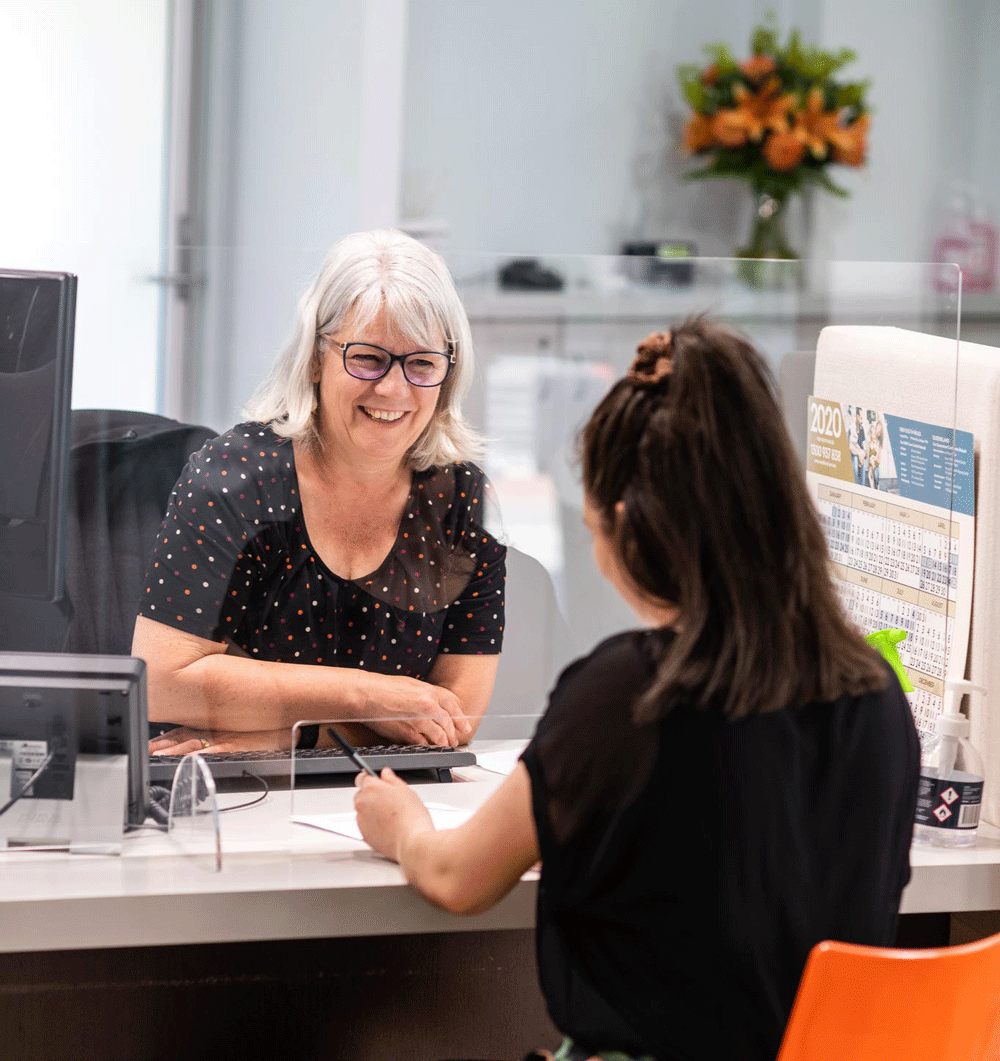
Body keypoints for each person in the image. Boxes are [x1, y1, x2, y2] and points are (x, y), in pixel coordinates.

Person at [353, 320, 920, 1061]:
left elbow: (459, 877)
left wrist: (402, 826)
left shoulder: (628, 694)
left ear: (624, 524)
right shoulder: (877, 695)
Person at [133, 229, 506, 756]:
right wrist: (367, 698)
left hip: (388, 790)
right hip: (230, 797)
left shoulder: (460, 498)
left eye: (421, 363)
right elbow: (159, 683)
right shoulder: (238, 481)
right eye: (368, 358)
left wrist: (282, 737)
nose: (394, 389)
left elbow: (452, 717)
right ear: (315, 357)